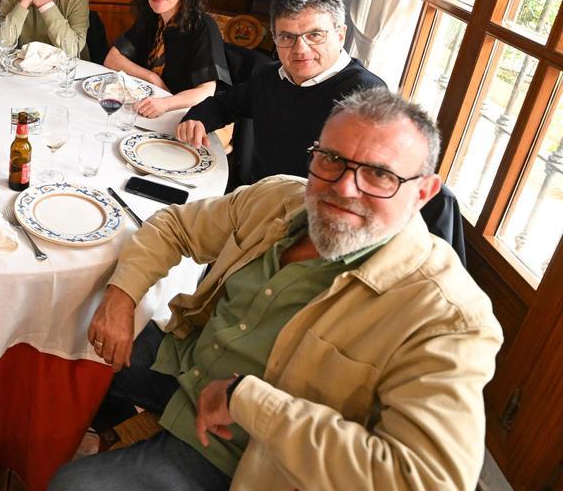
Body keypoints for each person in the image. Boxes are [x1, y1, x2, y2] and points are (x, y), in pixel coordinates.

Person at [51, 87, 502, 491]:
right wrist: (122, 296)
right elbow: (173, 226)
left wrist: (246, 400)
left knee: (71, 486)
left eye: (380, 175)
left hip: (243, 456)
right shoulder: (280, 199)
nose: (344, 187)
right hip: (183, 367)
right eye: (332, 159)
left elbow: (424, 479)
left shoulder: (447, 315)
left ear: (423, 192)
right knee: (63, 331)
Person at [176, 0, 383, 183]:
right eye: (287, 37)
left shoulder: (367, 95)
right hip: (256, 197)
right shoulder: (269, 75)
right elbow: (224, 106)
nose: (300, 49)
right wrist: (198, 119)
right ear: (275, 39)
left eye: (315, 35)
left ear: (340, 35)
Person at [105, 0, 230, 117]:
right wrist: (152, 78)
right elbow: (112, 59)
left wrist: (166, 103)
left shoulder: (203, 26)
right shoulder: (151, 19)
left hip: (194, 116)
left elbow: (206, 92)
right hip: (153, 106)